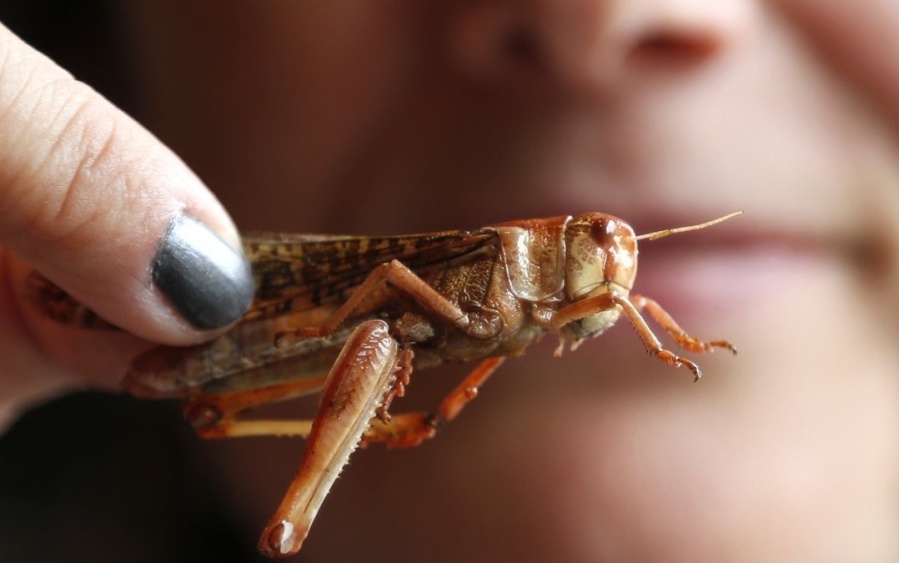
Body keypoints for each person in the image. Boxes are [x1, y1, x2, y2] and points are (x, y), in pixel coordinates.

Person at [3, 1, 899, 561]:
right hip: (297, 322)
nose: (605, 12)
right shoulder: (496, 263)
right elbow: (393, 277)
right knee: (385, 322)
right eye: (594, 243)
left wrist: (675, 342)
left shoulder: (590, 292)